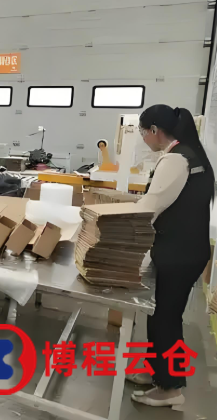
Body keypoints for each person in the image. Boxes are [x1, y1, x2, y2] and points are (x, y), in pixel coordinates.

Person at [129, 105, 214, 407]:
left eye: (142, 132)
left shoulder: (176, 159)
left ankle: (170, 388)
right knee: (161, 314)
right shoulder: (191, 154)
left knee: (165, 319)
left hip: (178, 254)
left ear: (154, 130)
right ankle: (158, 373)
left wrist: (116, 226)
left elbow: (150, 207)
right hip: (186, 251)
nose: (143, 138)